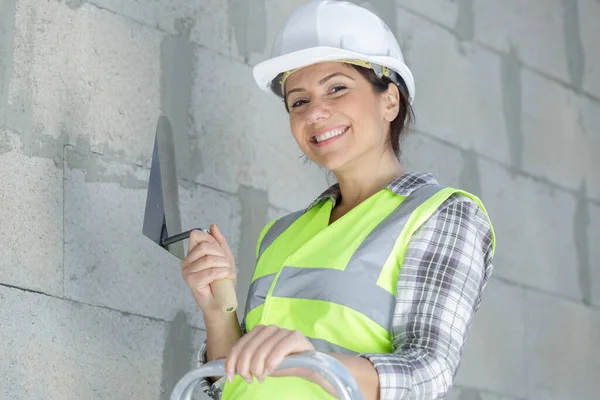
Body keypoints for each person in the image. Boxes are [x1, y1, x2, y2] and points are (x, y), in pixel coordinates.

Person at [180, 1, 495, 399]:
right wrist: (218, 310)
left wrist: (315, 362)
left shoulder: (440, 214)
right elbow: (238, 385)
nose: (315, 112)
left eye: (337, 88)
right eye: (299, 101)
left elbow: (427, 373)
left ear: (390, 101)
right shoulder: (280, 234)